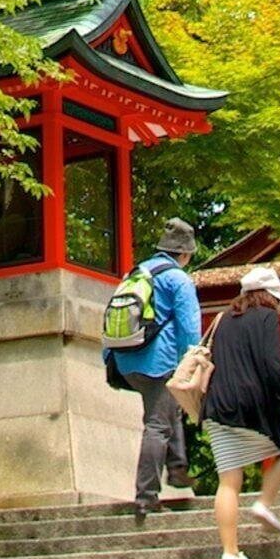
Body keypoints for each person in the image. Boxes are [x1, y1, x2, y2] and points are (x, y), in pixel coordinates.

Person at [198, 264, 280, 559]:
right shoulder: (266, 317)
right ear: (269, 296)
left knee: (229, 480)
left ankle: (230, 552)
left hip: (217, 406)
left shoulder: (223, 319)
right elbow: (272, 366)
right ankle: (264, 503)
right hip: (251, 405)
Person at [111, 217, 205, 515]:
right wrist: (192, 363)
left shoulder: (135, 273)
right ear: (186, 253)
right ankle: (146, 496)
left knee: (165, 408)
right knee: (157, 424)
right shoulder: (178, 279)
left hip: (125, 360)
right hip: (157, 361)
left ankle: (177, 468)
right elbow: (190, 329)